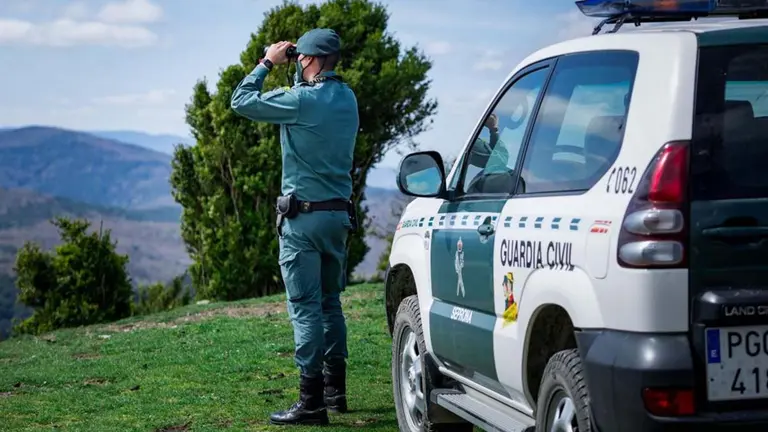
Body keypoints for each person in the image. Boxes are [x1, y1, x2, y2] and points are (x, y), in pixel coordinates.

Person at [230, 28, 359, 426]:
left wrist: (267, 62)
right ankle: (335, 391)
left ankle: (311, 401)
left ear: (308, 59)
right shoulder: (347, 98)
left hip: (303, 219)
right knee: (330, 302)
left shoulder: (302, 101)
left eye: (299, 56)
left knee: (304, 308)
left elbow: (241, 101)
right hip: (338, 216)